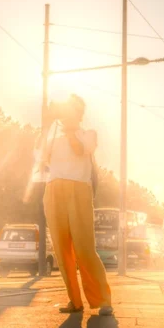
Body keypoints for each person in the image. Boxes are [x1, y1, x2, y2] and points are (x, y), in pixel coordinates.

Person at [41, 94, 113, 315]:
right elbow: (43, 159)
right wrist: (47, 125)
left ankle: (103, 300)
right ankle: (75, 301)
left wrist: (70, 131)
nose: (65, 115)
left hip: (79, 190)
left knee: (84, 247)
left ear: (79, 114)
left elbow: (79, 150)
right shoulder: (53, 137)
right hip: (54, 189)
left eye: (71, 111)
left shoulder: (88, 135)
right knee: (62, 250)